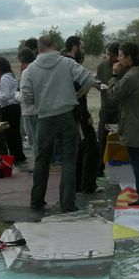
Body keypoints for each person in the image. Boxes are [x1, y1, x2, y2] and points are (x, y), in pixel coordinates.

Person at [20, 35, 94, 213]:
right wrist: (78, 94)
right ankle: (68, 204)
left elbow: (27, 98)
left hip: (45, 118)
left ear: (38, 49)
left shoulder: (29, 71)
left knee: (42, 160)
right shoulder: (66, 63)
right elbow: (89, 79)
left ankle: (37, 201)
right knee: (69, 161)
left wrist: (41, 101)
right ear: (54, 46)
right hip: (67, 116)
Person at [107, 42, 139, 206]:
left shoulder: (130, 77)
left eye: (121, 55)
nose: (118, 59)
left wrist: (114, 75)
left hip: (133, 124)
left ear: (129, 57)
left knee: (137, 162)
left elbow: (113, 95)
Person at [65, 36, 99, 194]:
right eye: (82, 47)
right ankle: (87, 185)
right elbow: (84, 84)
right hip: (78, 114)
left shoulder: (64, 64)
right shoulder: (71, 64)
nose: (84, 51)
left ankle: (79, 184)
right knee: (91, 148)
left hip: (73, 113)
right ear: (75, 47)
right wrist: (85, 113)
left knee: (79, 149)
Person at [0, 56, 27, 166]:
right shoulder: (12, 76)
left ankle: (14, 156)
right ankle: (19, 155)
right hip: (15, 106)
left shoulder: (4, 78)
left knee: (9, 134)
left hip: (7, 107)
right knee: (16, 133)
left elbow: (5, 96)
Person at [95, 42, 120, 177]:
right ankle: (99, 167)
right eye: (107, 55)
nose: (109, 58)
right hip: (105, 108)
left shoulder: (123, 66)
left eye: (112, 55)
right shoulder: (101, 66)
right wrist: (98, 86)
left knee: (118, 139)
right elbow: (98, 82)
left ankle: (120, 169)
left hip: (119, 109)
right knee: (102, 139)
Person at [16, 47, 39, 156]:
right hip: (40, 110)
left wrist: (15, 96)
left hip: (29, 112)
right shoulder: (39, 69)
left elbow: (25, 97)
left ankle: (39, 163)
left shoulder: (27, 72)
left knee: (34, 142)